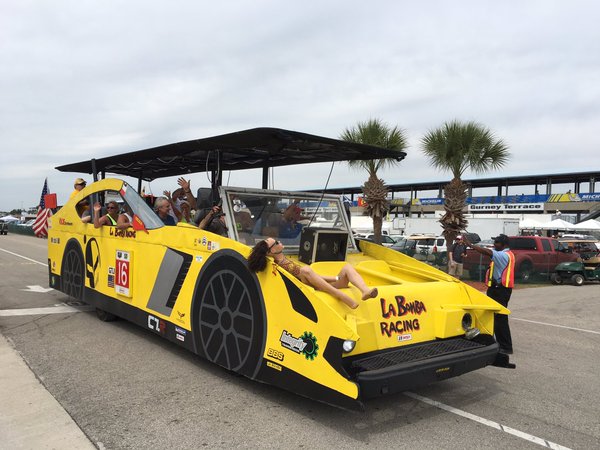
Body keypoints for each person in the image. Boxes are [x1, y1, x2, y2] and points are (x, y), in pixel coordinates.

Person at [248, 238, 378, 309]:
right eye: (276, 243)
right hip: (318, 287)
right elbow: (308, 277)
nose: (279, 242)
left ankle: (365, 291)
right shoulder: (284, 265)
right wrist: (333, 280)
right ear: (271, 252)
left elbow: (313, 277)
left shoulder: (285, 261)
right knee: (306, 270)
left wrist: (335, 277)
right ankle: (343, 297)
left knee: (347, 268)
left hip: (321, 282)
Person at [463, 233, 515, 364]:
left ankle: (505, 346)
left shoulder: (503, 255)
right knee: (495, 317)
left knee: (500, 318)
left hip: (500, 290)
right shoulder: (507, 254)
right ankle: (495, 342)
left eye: (497, 242)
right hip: (497, 289)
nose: (494, 244)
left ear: (504, 244)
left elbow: (486, 252)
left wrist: (470, 245)